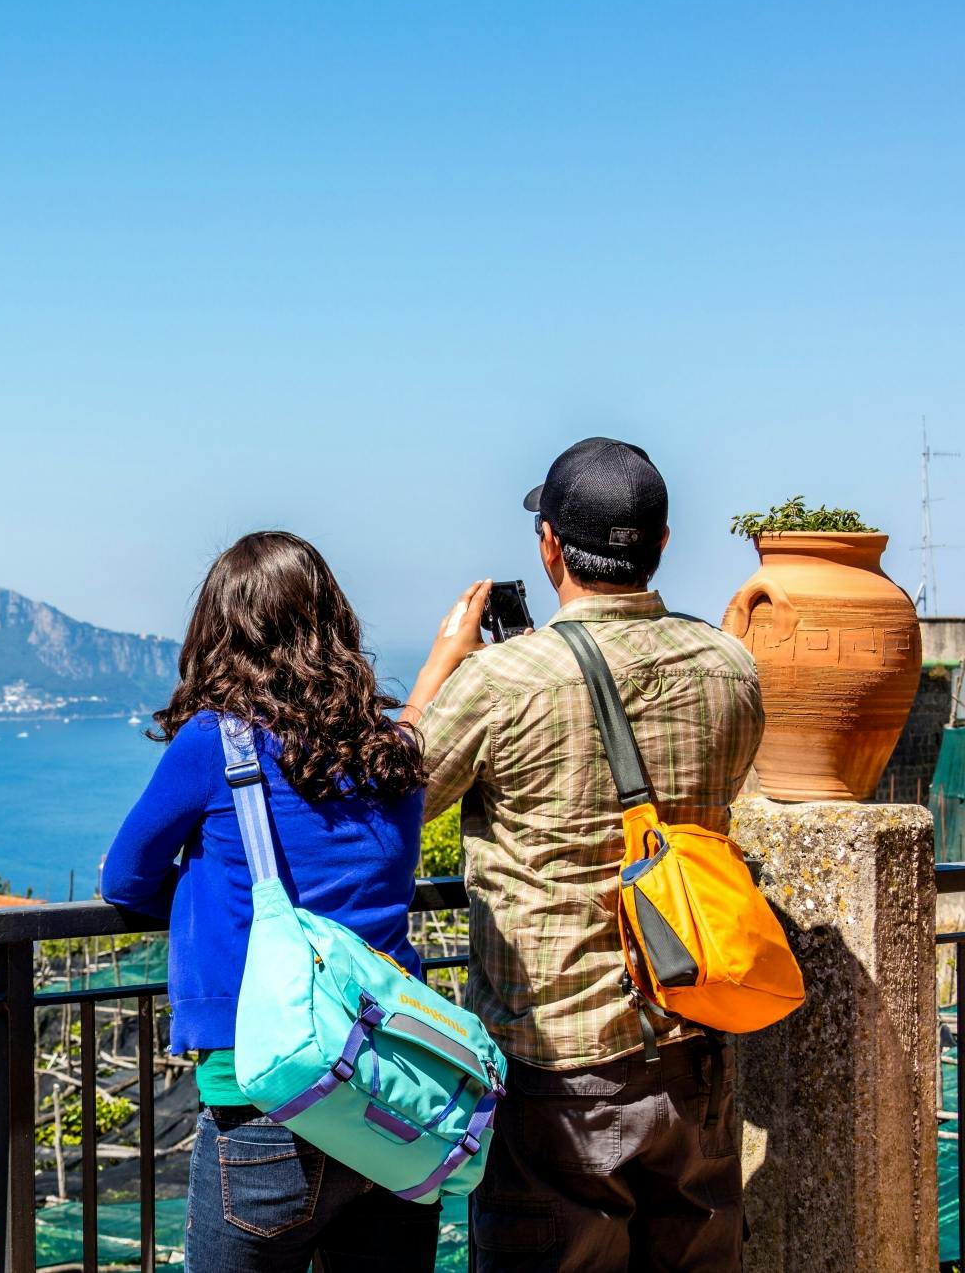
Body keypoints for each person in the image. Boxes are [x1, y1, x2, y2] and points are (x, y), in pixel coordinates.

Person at [400, 438, 763, 1271]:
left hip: (558, 1063)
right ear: (663, 543)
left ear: (551, 546)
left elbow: (395, 806)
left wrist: (436, 675)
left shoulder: (504, 679)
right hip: (694, 1044)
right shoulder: (730, 665)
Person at [103, 531, 436, 1271]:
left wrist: (199, 884)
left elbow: (124, 879)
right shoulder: (392, 751)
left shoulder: (214, 746)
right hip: (391, 1096)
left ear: (221, 630)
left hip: (264, 1103)